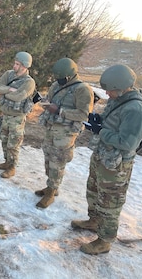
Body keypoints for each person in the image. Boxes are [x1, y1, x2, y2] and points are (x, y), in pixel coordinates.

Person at [71, 64, 142, 255]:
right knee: (94, 191)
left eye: (110, 90)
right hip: (103, 156)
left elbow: (128, 143)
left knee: (110, 203)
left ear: (122, 87)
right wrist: (97, 120)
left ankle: (105, 241)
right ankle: (94, 221)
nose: (106, 93)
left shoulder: (136, 110)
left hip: (116, 166)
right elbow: (112, 123)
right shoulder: (118, 100)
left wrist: (102, 131)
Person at [36, 58, 94, 208]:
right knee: (48, 159)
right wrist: (45, 103)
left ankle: (51, 193)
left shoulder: (83, 89)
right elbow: (51, 100)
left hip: (65, 132)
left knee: (57, 162)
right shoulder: (56, 85)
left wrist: (60, 111)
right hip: (51, 128)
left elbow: (84, 114)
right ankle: (51, 187)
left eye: (60, 77)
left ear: (69, 75)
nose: (57, 80)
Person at [0, 52, 36, 178]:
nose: (14, 66)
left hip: (17, 118)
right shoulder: (8, 74)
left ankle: (12, 167)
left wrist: (5, 92)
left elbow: (18, 97)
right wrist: (9, 89)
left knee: (14, 144)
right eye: (15, 63)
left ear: (25, 66)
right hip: (6, 115)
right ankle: (7, 162)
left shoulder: (29, 82)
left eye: (17, 64)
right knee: (4, 140)